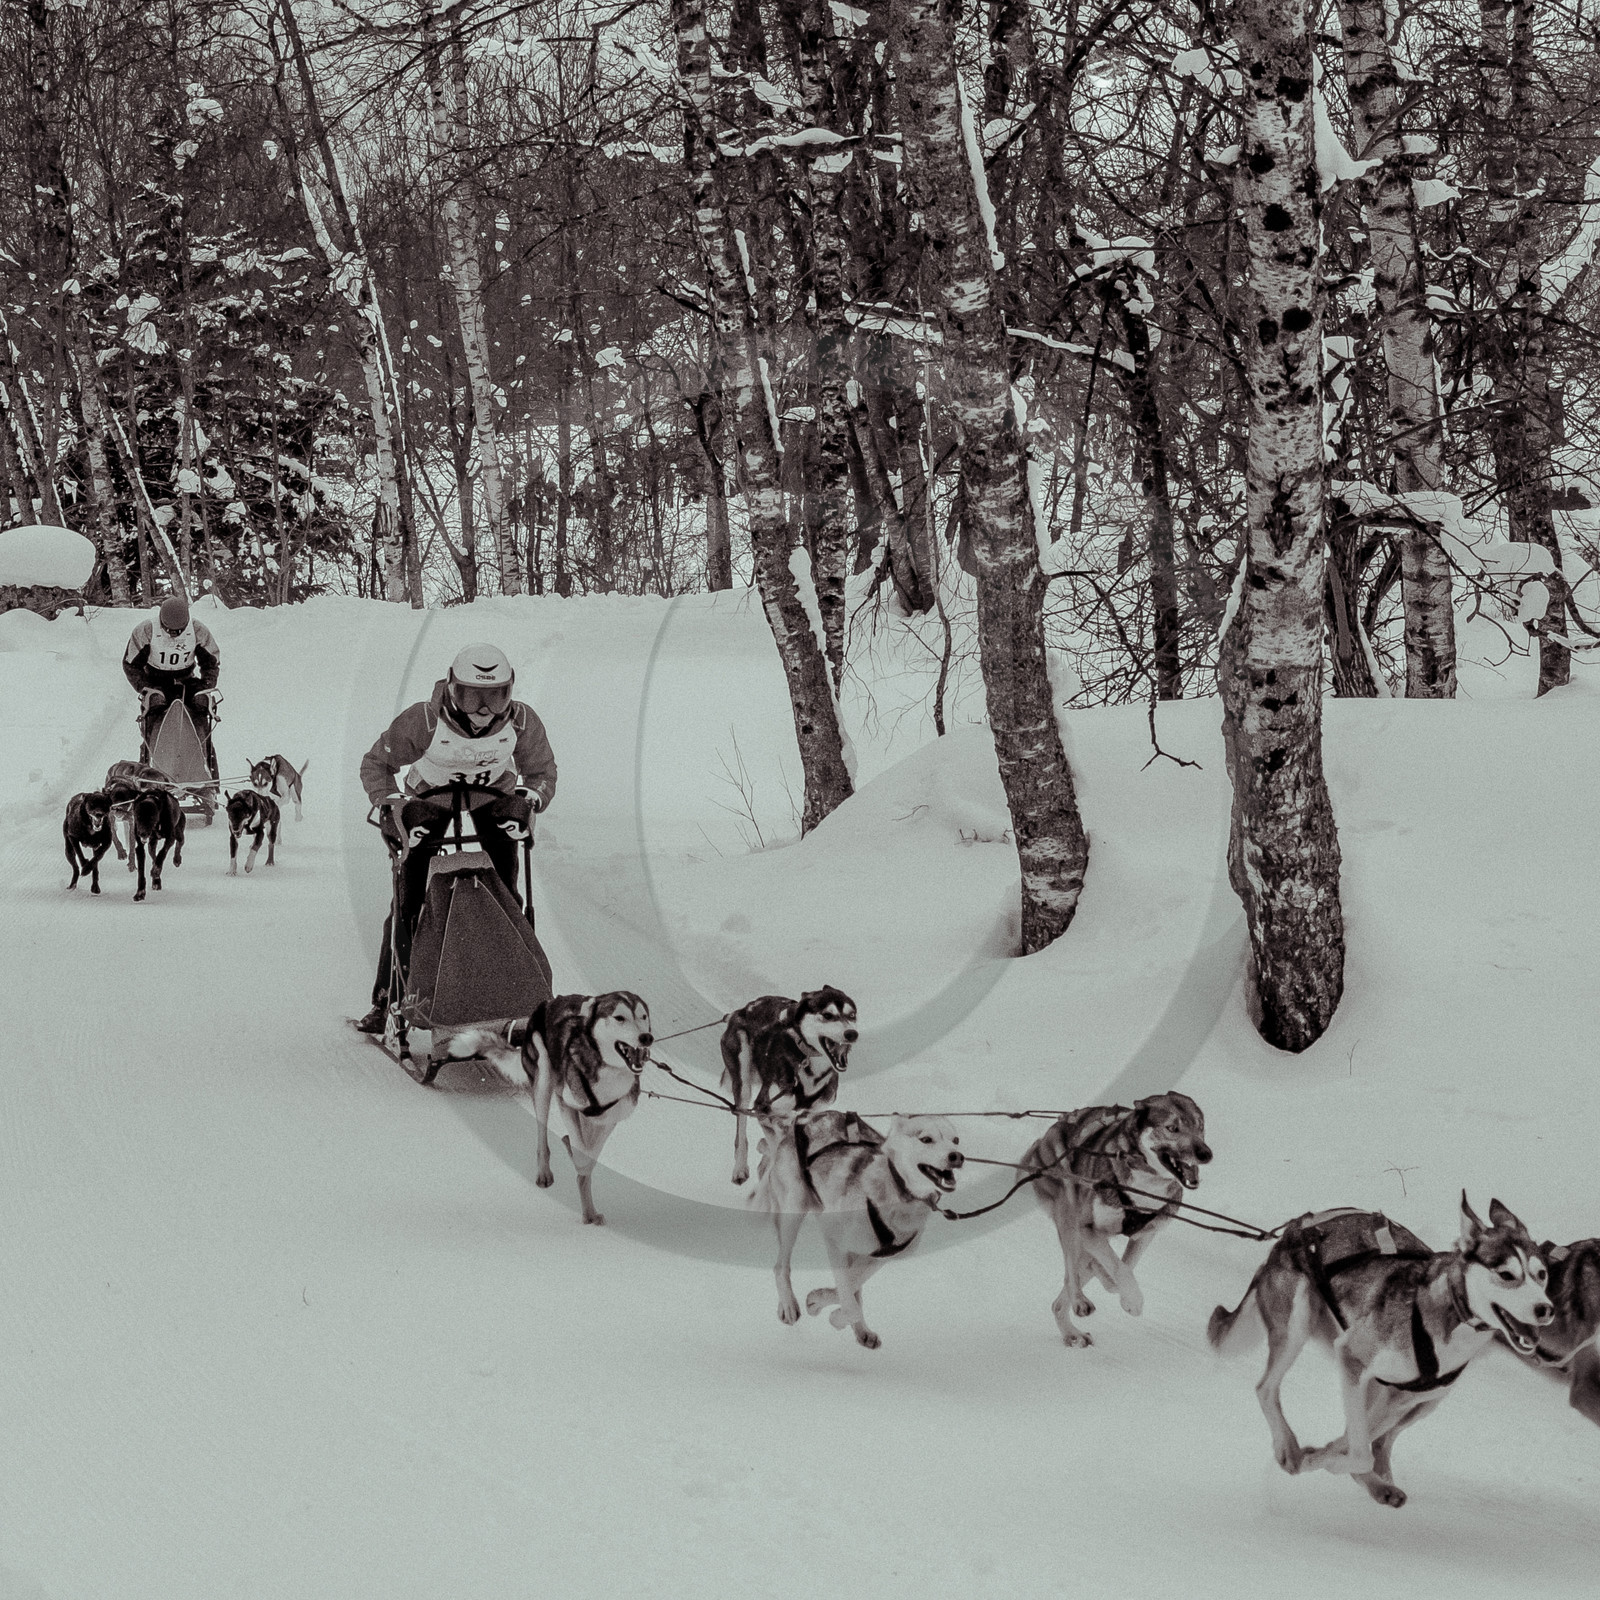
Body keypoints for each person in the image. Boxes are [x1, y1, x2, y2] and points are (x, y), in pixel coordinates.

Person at [355, 643, 557, 1034]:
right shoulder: (426, 720)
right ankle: (388, 999)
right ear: (452, 688)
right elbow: (376, 763)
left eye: (495, 698)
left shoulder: (521, 722)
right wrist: (391, 804)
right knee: (408, 899)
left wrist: (530, 799)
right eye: (471, 696)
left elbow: (541, 771)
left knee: (505, 895)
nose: (483, 710)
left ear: (509, 694)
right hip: (430, 796)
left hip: (493, 798)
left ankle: (509, 992)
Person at [123, 593, 222, 779]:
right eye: (169, 630)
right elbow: (131, 664)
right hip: (155, 681)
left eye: (179, 631)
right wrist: (145, 688)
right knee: (151, 725)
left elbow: (211, 662)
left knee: (202, 721)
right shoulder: (146, 630)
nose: (174, 634)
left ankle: (209, 776)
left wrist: (205, 686)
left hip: (187, 680)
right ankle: (147, 774)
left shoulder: (198, 630)